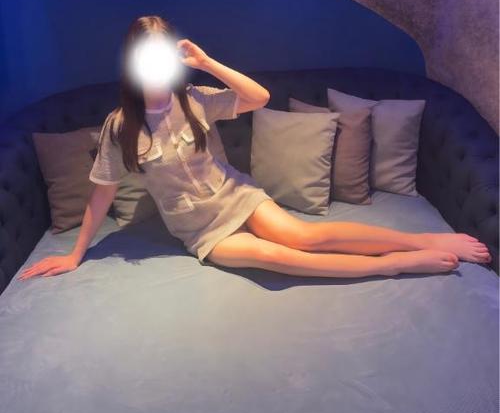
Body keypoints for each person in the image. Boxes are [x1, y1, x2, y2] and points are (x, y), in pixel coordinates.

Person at [19, 15, 491, 281]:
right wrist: (76, 254)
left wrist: (206, 62)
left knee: (305, 237)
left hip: (238, 196)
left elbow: (259, 98)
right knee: (285, 259)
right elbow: (102, 192)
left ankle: (422, 241)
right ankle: (396, 265)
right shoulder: (120, 127)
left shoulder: (196, 100)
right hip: (202, 231)